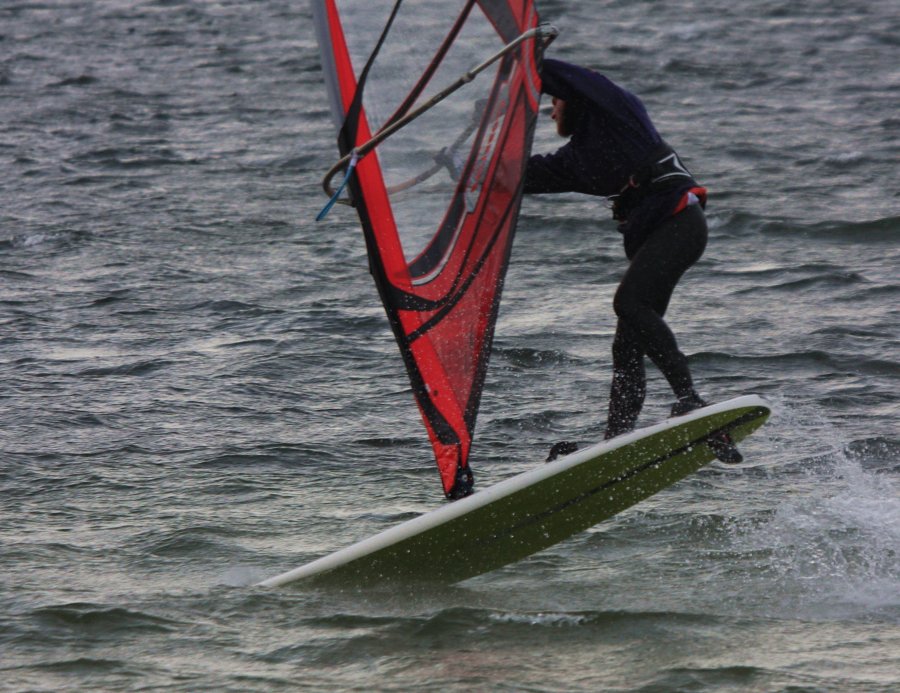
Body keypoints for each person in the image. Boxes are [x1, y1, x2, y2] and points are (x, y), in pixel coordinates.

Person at [525, 58, 740, 463]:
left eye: (555, 101)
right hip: (662, 237)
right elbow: (516, 176)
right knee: (626, 347)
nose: (551, 110)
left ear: (574, 99)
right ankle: (616, 443)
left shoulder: (617, 112)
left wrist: (517, 63)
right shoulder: (576, 161)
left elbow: (567, 77)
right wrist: (459, 171)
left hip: (680, 225)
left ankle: (691, 401)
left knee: (629, 304)